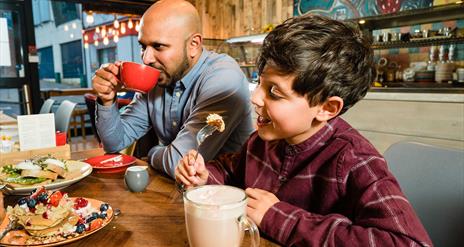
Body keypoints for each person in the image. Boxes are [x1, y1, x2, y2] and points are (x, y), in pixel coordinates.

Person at [175, 14, 433, 246]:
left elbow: (406, 242)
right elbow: (231, 170)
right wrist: (205, 177)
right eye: (259, 83)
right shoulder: (261, 141)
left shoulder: (355, 161)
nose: (255, 98)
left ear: (327, 108)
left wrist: (277, 217)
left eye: (274, 92)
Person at [92, 0, 254, 178]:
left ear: (194, 44)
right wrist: (107, 100)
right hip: (176, 191)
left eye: (158, 46)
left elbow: (180, 162)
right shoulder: (158, 79)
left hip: (227, 195)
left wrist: (153, 153)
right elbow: (114, 143)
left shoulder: (224, 77)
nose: (146, 58)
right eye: (143, 46)